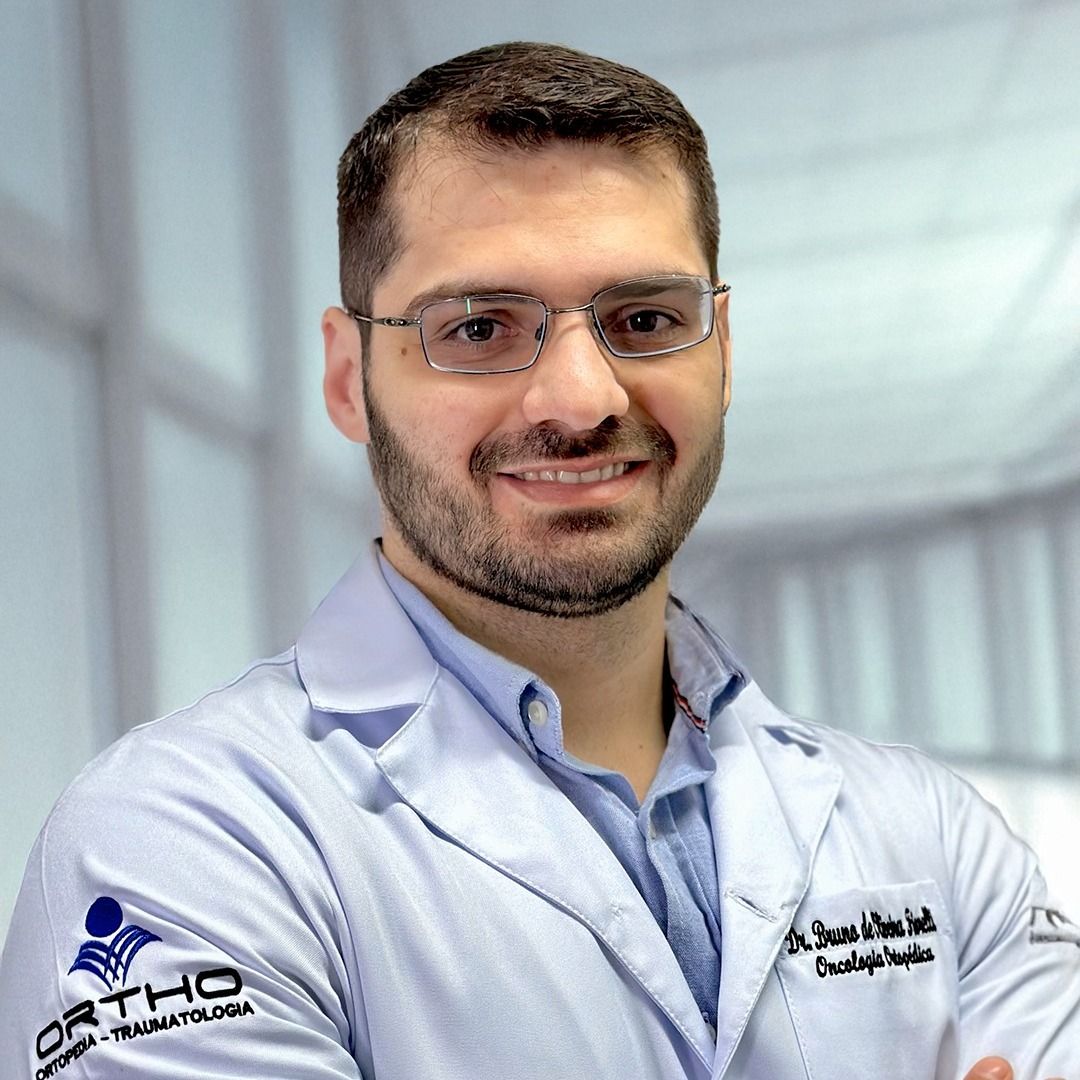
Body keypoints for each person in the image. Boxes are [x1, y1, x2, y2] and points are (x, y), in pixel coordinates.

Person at [0, 41, 1076, 1080]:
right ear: (347, 377)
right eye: (479, 328)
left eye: (645, 318)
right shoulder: (181, 849)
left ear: (722, 352)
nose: (582, 399)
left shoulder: (934, 837)